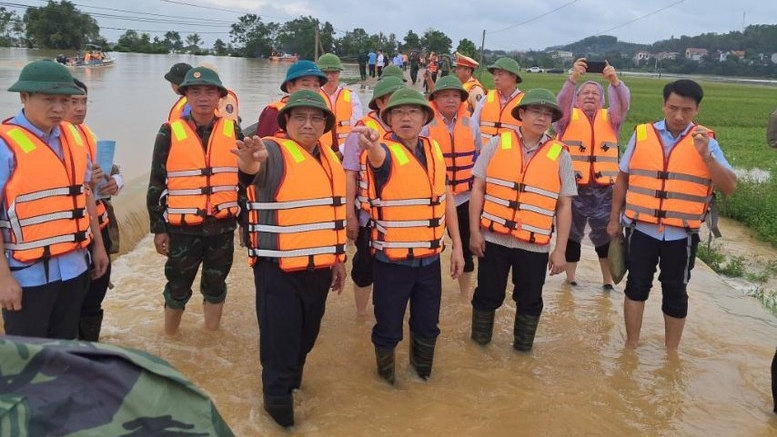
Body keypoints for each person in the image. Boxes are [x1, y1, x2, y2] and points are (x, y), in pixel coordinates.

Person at [233, 90, 347, 428]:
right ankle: (279, 414)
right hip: (278, 271)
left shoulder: (329, 158)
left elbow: (328, 216)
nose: (308, 124)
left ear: (326, 124)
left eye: (316, 118)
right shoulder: (271, 151)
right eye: (300, 117)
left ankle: (292, 388)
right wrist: (248, 160)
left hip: (320, 269)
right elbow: (251, 170)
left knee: (305, 340)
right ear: (287, 122)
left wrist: (338, 260)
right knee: (279, 347)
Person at [606, 79, 737, 350]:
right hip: (640, 229)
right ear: (664, 105)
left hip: (681, 235)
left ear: (697, 110)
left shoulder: (707, 141)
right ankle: (631, 347)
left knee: (675, 292)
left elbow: (729, 187)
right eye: (673, 108)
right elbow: (622, 179)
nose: (679, 116)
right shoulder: (642, 134)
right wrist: (613, 218)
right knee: (636, 287)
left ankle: (671, 354)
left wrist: (707, 157)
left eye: (686, 110)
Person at [352, 88, 464, 385]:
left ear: (424, 118)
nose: (405, 118)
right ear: (388, 119)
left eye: (413, 112)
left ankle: (422, 376)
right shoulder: (383, 151)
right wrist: (371, 144)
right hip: (392, 262)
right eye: (398, 113)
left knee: (428, 327)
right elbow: (377, 156)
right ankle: (387, 385)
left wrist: (458, 248)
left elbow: (446, 198)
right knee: (388, 328)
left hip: (429, 262)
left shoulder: (433, 149)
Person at [0, 60, 109, 339]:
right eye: (49, 99)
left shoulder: (73, 137)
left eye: (65, 100)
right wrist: (3, 278)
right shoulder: (5, 145)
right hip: (27, 276)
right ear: (24, 97)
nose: (59, 108)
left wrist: (98, 246)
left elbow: (85, 195)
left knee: (65, 350)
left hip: (74, 269)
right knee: (27, 359)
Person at [468, 88, 575, 352]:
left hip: (534, 245)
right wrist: (474, 232)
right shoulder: (496, 144)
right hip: (493, 239)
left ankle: (522, 352)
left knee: (529, 301)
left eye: (547, 113)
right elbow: (478, 188)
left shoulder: (560, 154)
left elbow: (564, 205)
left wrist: (560, 250)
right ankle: (479, 351)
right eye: (536, 111)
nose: (541, 118)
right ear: (522, 113)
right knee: (486, 296)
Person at [147, 66, 242, 336]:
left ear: (219, 97)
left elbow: (243, 181)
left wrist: (246, 224)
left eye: (209, 91)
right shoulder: (169, 132)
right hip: (182, 230)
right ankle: (170, 340)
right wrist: (158, 227)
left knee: (216, 286)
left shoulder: (233, 131)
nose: (203, 97)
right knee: (177, 287)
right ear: (185, 95)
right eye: (196, 91)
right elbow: (157, 182)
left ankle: (211, 338)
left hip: (221, 228)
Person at [555, 58, 630, 290]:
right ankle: (571, 278)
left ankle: (607, 281)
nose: (589, 96)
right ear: (576, 99)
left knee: (606, 235)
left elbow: (624, 104)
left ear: (603, 100)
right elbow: (560, 103)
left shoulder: (612, 119)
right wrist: (573, 78)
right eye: (584, 93)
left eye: (595, 93)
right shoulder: (566, 119)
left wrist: (614, 81)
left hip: (605, 189)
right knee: (570, 234)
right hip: (572, 187)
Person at [343, 76, 406, 317]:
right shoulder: (358, 133)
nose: (399, 110)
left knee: (395, 266)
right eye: (392, 101)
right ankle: (361, 315)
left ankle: (389, 311)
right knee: (364, 266)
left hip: (398, 216)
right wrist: (350, 216)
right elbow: (350, 175)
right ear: (379, 102)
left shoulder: (408, 131)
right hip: (368, 216)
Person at [67, 78, 124, 341]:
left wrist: (116, 182)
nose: (79, 108)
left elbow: (112, 171)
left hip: (97, 231)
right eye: (72, 102)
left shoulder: (87, 135)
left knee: (93, 301)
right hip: (70, 239)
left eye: (83, 102)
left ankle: (90, 350)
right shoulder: (52, 142)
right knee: (69, 308)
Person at [422, 76, 477, 298]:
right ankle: (428, 292)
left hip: (464, 197)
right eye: (445, 95)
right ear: (435, 99)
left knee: (465, 247)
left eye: (456, 96)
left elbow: (478, 156)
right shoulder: (425, 125)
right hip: (434, 198)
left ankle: (464, 297)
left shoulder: (470, 123)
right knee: (428, 248)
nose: (451, 100)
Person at [255, 60, 327, 137]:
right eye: (305, 85)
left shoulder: (324, 113)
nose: (312, 90)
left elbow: (335, 147)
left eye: (316, 85)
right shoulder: (273, 113)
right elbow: (261, 144)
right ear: (290, 87)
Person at [316, 53, 364, 155]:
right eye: (325, 72)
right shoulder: (313, 96)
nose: (329, 76)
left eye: (333, 72)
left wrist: (342, 151)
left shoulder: (352, 96)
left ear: (339, 73)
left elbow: (357, 130)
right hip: (319, 151)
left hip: (346, 151)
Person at [471, 57, 524, 146]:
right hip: (484, 153)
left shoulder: (523, 103)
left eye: (500, 74)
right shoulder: (486, 99)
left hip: (509, 154)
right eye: (495, 74)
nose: (496, 78)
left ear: (513, 77)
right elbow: (473, 126)